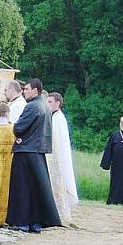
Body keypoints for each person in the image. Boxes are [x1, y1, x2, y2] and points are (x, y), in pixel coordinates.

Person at [5, 79, 61, 232]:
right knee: (36, 188)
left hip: (25, 151)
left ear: (35, 90)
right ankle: (35, 222)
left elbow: (18, 128)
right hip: (38, 151)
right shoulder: (45, 106)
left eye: (27, 89)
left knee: (22, 188)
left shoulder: (32, 106)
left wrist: (15, 128)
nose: (24, 91)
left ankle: (22, 221)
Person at [45, 92, 79, 225]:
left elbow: (57, 142)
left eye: (50, 102)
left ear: (57, 103)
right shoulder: (55, 117)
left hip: (57, 159)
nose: (48, 105)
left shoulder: (58, 119)